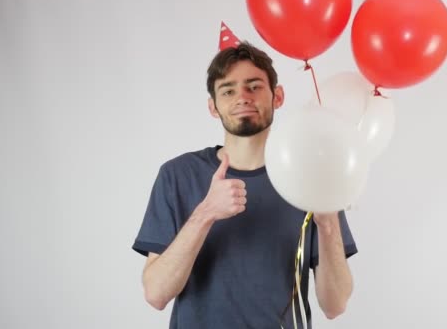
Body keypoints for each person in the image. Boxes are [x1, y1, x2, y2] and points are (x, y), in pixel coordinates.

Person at [132, 41, 358, 329]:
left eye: (254, 86)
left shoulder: (311, 177)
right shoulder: (177, 175)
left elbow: (335, 305)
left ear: (278, 96)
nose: (242, 97)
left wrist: (328, 224)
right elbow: (156, 294)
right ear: (213, 107)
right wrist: (206, 213)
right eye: (228, 90)